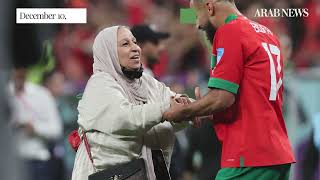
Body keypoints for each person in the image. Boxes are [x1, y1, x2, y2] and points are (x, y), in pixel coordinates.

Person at [163, 0, 296, 179]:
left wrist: (184, 111)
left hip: (248, 155)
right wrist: (205, 109)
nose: (197, 25)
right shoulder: (267, 34)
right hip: (277, 155)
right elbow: (251, 99)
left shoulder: (230, 30)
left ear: (209, 7)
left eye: (197, 16)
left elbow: (222, 98)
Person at [71, 26, 192, 180]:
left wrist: (192, 108)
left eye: (135, 42)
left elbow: (173, 108)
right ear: (109, 52)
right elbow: (126, 119)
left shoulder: (147, 83)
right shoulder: (100, 84)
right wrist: (167, 109)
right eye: (125, 44)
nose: (135, 48)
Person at [9, 65, 63, 180]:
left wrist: (35, 129)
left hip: (37, 161)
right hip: (10, 161)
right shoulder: (5, 94)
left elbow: (56, 129)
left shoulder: (41, 94)